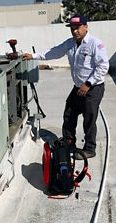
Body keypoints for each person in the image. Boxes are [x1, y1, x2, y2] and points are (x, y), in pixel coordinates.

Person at [22, 15, 109, 159]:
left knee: (89, 119)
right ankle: (69, 143)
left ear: (86, 27)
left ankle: (89, 149)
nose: (75, 31)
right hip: (78, 87)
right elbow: (53, 52)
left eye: (78, 28)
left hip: (92, 88)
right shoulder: (70, 43)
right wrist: (33, 56)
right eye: (72, 28)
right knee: (69, 115)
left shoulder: (95, 44)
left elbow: (103, 66)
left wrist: (88, 84)